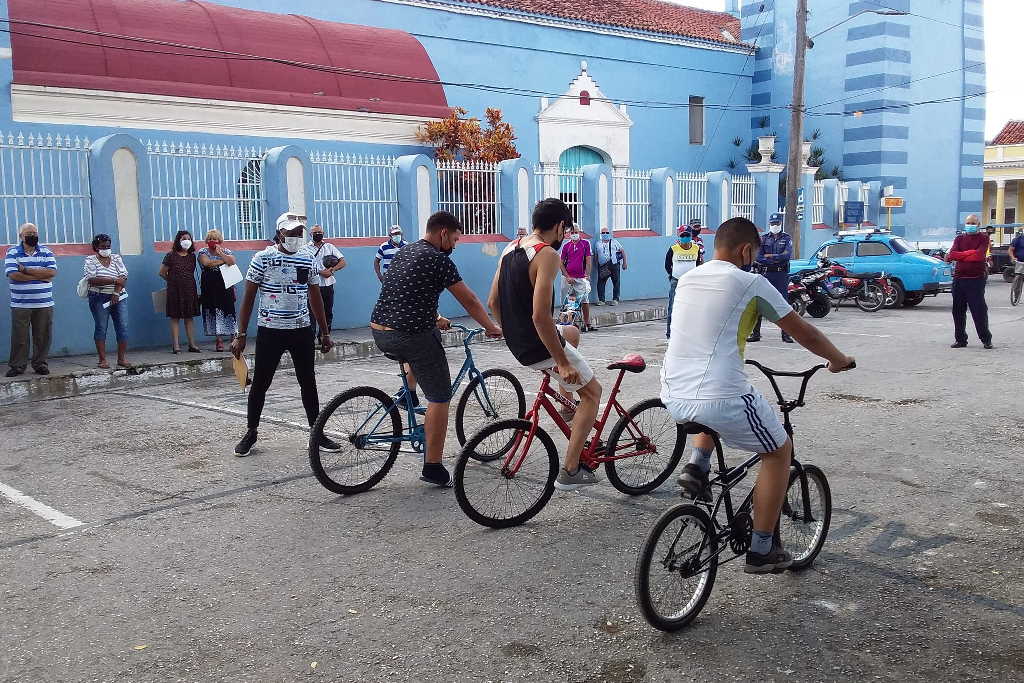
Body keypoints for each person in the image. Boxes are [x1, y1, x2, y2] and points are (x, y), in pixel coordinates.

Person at [662, 217, 854, 573]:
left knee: (712, 413)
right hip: (720, 392)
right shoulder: (751, 282)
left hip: (673, 391)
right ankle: (762, 547)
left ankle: (697, 466)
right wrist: (838, 360)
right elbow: (804, 332)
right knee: (779, 450)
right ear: (746, 250)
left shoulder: (687, 278)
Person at [370, 211, 502, 487]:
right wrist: (491, 327)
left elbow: (408, 294)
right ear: (443, 233)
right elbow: (470, 300)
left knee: (428, 338)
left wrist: (436, 318)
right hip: (409, 335)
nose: (454, 245)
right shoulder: (439, 260)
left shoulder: (405, 251)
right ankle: (433, 466)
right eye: (454, 239)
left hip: (380, 330)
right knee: (440, 396)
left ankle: (408, 392)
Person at [488, 198, 603, 490]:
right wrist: (562, 364)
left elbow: (493, 302)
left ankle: (566, 402)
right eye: (567, 228)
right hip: (537, 343)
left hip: (518, 342)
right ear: (560, 226)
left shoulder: (510, 248)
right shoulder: (547, 254)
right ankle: (571, 469)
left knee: (571, 332)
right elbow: (540, 316)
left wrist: (512, 330)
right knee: (593, 393)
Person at [230, 213, 337, 457]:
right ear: (280, 234)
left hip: (301, 329)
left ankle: (316, 432)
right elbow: (248, 298)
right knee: (260, 383)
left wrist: (325, 332)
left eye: (300, 232)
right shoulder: (263, 258)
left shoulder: (307, 258)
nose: (296, 237)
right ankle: (251, 432)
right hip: (271, 330)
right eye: (291, 233)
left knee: (308, 382)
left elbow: (315, 295)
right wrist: (241, 333)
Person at [5, 222, 57, 376]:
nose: (33, 236)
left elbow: (52, 273)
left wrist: (26, 270)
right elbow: (13, 275)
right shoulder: (12, 252)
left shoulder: (46, 252)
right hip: (20, 303)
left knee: (42, 335)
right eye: (29, 233)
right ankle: (17, 366)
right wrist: (42, 276)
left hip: (44, 302)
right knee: (20, 337)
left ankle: (40, 364)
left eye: (35, 233)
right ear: (21, 236)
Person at [946, 214, 993, 349]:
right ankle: (960, 340)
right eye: (968, 223)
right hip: (959, 279)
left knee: (978, 310)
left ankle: (986, 338)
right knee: (958, 310)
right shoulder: (959, 238)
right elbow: (952, 255)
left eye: (973, 223)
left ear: (978, 225)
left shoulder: (984, 238)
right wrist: (969, 253)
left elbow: (979, 257)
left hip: (976, 279)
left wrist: (962, 255)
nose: (970, 225)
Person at [84, 234, 130, 368]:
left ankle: (121, 359)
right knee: (101, 327)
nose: (106, 249)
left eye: (108, 246)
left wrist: (116, 291)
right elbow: (92, 279)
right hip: (99, 297)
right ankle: (102, 360)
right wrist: (114, 280)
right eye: (103, 247)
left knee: (123, 327)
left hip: (118, 296)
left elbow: (123, 277)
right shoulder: (90, 260)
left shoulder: (116, 258)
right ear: (96, 247)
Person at [748, 212, 794, 344]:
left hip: (780, 275)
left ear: (781, 224)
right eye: (773, 223)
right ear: (769, 224)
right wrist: (773, 258)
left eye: (777, 223)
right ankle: (755, 333)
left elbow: (786, 255)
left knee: (783, 304)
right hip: (766, 274)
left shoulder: (786, 238)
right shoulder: (763, 239)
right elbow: (758, 256)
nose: (775, 225)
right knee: (759, 303)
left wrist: (770, 257)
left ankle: (786, 335)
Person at [159, 230, 201, 353]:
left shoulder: (192, 256)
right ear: (178, 240)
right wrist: (172, 281)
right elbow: (161, 272)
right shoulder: (170, 255)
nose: (186, 241)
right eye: (183, 238)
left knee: (189, 317)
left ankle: (192, 344)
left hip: (190, 290)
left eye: (189, 238)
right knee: (175, 317)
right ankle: (176, 345)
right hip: (174, 290)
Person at [197, 229, 237, 352]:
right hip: (209, 287)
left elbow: (232, 261)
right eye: (209, 239)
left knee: (229, 310)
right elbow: (207, 263)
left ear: (219, 240)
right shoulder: (202, 251)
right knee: (214, 311)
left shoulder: (226, 251)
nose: (212, 241)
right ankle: (218, 340)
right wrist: (222, 261)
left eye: (214, 239)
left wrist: (222, 255)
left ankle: (233, 339)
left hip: (226, 286)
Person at [306, 224, 346, 337]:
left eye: (320, 233)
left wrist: (332, 270)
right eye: (315, 233)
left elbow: (343, 262)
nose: (318, 235)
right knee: (311, 313)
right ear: (310, 234)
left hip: (328, 285)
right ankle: (311, 337)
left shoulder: (329, 247)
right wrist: (320, 271)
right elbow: (304, 265)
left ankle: (324, 337)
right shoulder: (305, 249)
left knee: (327, 312)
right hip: (312, 286)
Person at [664, 224, 704, 339]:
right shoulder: (673, 248)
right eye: (683, 235)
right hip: (676, 281)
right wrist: (672, 275)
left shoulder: (696, 248)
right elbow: (667, 265)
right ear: (679, 236)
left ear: (691, 236)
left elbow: (698, 263)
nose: (685, 237)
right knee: (672, 307)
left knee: (691, 307)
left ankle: (689, 333)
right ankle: (669, 334)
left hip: (691, 282)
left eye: (687, 235)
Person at [559, 227, 595, 331]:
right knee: (570, 300)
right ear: (569, 234)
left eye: (576, 232)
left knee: (584, 300)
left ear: (579, 232)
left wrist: (587, 274)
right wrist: (567, 276)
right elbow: (560, 262)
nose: (574, 234)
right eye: (572, 232)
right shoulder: (566, 246)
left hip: (581, 278)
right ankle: (571, 323)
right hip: (569, 278)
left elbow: (588, 260)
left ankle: (587, 323)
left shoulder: (585, 244)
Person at [594, 228, 627, 305]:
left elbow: (622, 251)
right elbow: (596, 255)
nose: (605, 234)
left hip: (614, 264)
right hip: (602, 265)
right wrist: (596, 264)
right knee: (601, 282)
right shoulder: (598, 243)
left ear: (609, 233)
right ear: (601, 234)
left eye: (606, 232)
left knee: (616, 281)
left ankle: (615, 299)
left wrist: (624, 263)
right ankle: (601, 300)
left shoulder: (615, 242)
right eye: (603, 232)